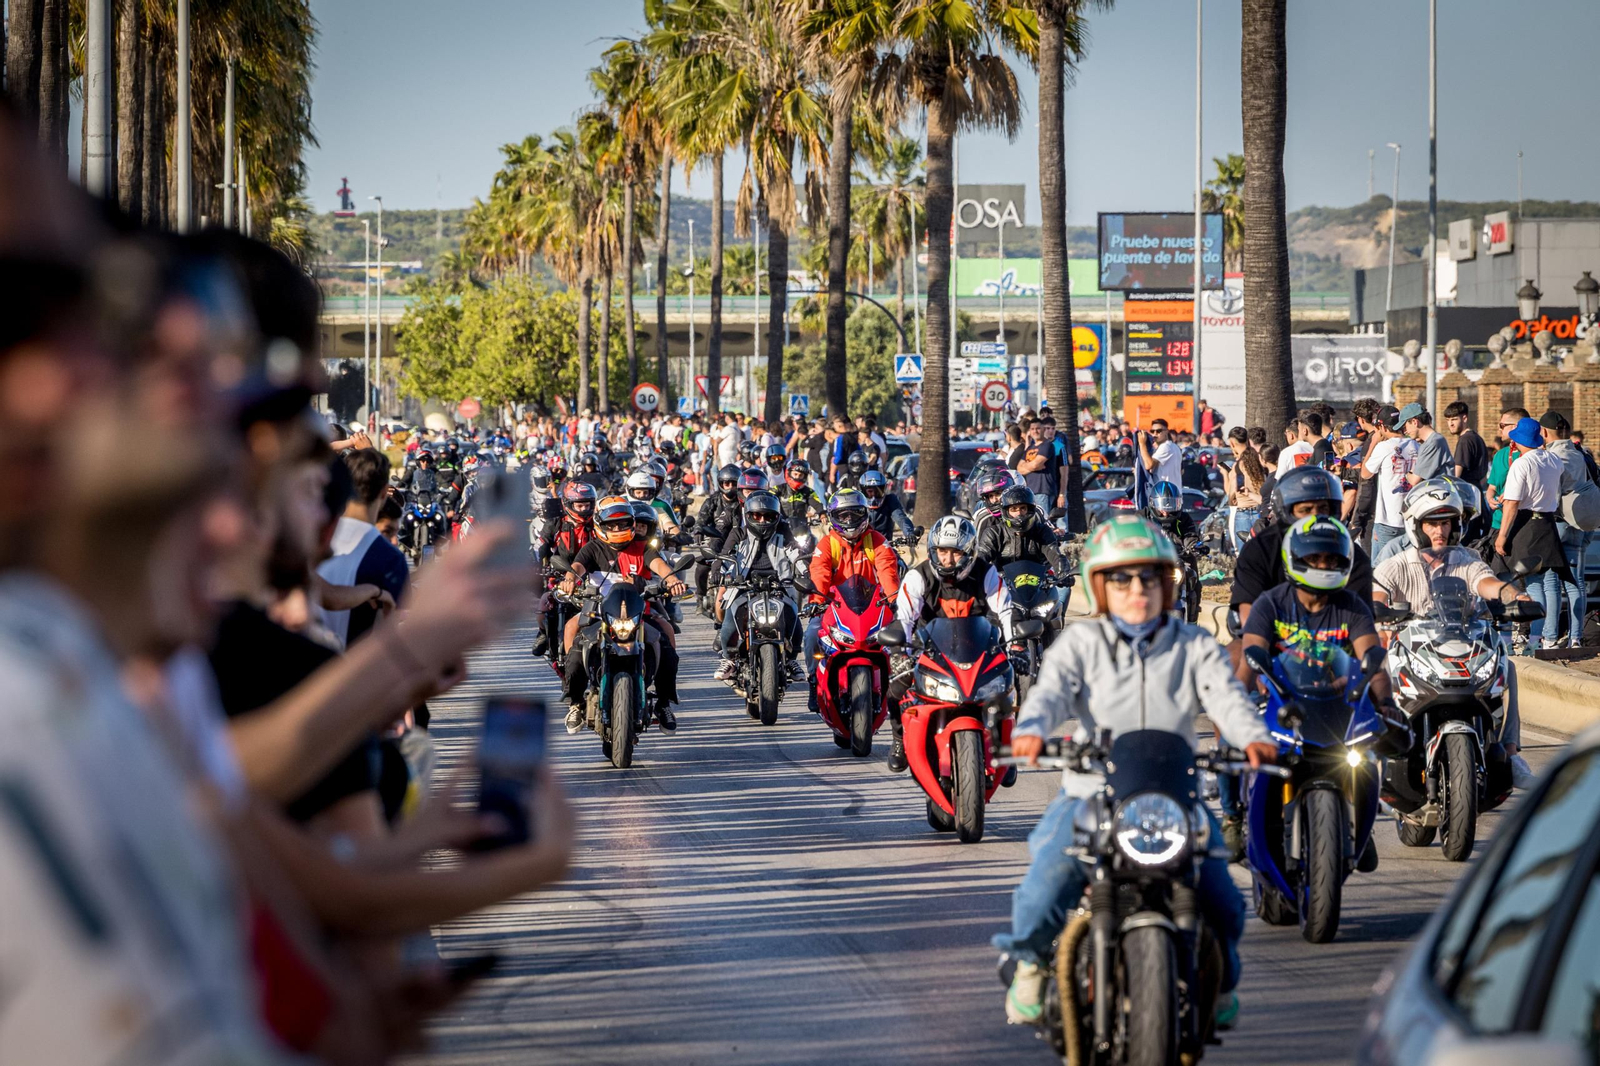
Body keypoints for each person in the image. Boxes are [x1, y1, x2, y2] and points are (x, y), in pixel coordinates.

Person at [996, 515, 1277, 1029]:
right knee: (1049, 876)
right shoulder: (1081, 644)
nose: (1137, 588)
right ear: (1098, 585)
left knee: (1224, 898)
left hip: (1176, 797)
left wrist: (1254, 737)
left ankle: (1218, 981)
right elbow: (1051, 694)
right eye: (1122, 578)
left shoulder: (1193, 644)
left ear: (1167, 584)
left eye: (1149, 577)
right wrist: (1031, 730)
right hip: (1091, 794)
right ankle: (1033, 964)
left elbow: (1227, 698)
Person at [1372, 479, 1536, 788]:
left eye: (1445, 522)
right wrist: (1378, 609)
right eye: (1432, 523)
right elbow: (1375, 596)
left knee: (1508, 667)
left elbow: (1486, 583)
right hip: (1411, 651)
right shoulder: (1396, 565)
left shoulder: (1467, 560)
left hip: (1461, 648)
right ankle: (1374, 753)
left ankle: (1511, 754)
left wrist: (1512, 594)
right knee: (1375, 669)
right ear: (1417, 526)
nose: (1440, 531)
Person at [892, 516, 1011, 772]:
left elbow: (1005, 611)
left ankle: (1006, 746)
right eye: (942, 551)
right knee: (897, 686)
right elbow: (904, 618)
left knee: (1007, 684)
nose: (947, 559)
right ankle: (899, 738)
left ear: (969, 552)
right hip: (930, 651)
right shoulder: (917, 576)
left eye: (956, 552)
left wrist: (1014, 647)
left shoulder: (986, 572)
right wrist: (899, 651)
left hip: (977, 649)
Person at [559, 495, 687, 732]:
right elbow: (578, 566)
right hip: (598, 613)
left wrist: (671, 579)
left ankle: (664, 703)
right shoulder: (592, 548)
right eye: (612, 525)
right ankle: (575, 702)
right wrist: (570, 578)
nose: (618, 529)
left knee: (667, 632)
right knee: (571, 629)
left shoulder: (642, 548)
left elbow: (659, 564)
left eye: (623, 523)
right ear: (601, 525)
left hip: (639, 613)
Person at [802, 490, 903, 709]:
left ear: (865, 514)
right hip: (833, 608)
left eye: (854, 514)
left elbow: (887, 571)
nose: (849, 521)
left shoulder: (877, 541)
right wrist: (816, 603)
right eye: (843, 515)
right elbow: (819, 574)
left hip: (871, 608)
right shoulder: (827, 544)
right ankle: (813, 681)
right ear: (832, 517)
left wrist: (895, 599)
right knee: (811, 634)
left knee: (898, 640)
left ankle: (899, 687)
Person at [1494, 416, 1574, 652]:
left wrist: (1502, 536)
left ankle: (1533, 638)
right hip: (1548, 522)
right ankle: (1546, 637)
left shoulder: (1521, 463)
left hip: (1527, 524)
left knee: (1534, 583)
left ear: (1518, 440)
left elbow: (1512, 504)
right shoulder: (1552, 458)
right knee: (1550, 585)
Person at [711, 492, 804, 682]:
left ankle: (792, 659)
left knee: (793, 616)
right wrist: (719, 573)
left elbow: (796, 553)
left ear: (776, 517)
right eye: (757, 515)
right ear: (748, 515)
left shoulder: (783, 531)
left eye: (768, 516)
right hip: (744, 585)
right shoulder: (739, 532)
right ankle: (729, 659)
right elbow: (725, 556)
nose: (762, 520)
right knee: (730, 617)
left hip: (779, 586)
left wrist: (807, 572)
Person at [1361, 404, 1416, 557]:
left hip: (1388, 521)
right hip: (1413, 519)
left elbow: (1365, 473)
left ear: (1381, 426)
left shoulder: (1383, 447)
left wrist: (1373, 442)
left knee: (1380, 571)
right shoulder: (1416, 445)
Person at [975, 485, 1061, 570]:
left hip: (1038, 582)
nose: (1019, 513)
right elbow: (982, 555)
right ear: (1006, 511)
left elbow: (1056, 555)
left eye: (1023, 508)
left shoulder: (1042, 531)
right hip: (1003, 583)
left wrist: (1063, 571)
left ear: (1029, 509)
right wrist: (976, 574)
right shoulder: (994, 533)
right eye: (1013, 509)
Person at [1395, 402, 1452, 485]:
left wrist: (1407, 473)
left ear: (1415, 422)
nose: (1405, 432)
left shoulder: (1433, 443)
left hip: (1440, 494)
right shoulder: (1432, 441)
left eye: (1405, 427)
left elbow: (1414, 480)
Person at [1446, 401, 1489, 491]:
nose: (1450, 424)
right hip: (1477, 492)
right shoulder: (1478, 438)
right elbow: (1483, 478)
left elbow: (1456, 475)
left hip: (1467, 495)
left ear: (1464, 418)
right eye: (1448, 420)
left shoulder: (1465, 440)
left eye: (1454, 419)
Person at [861, 468, 915, 539]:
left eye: (878, 492)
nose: (873, 496)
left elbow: (901, 518)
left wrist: (909, 533)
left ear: (884, 490)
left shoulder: (890, 500)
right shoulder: (857, 502)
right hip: (862, 545)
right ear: (862, 491)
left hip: (886, 545)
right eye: (870, 492)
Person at [777, 457, 825, 531]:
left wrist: (822, 514)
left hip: (801, 529)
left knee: (814, 540)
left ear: (804, 477)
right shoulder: (778, 489)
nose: (797, 477)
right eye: (795, 474)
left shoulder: (808, 492)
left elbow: (818, 504)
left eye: (800, 475)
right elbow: (769, 499)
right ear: (789, 473)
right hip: (781, 528)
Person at [1137, 418, 1182, 487]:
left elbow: (1149, 465)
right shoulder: (1174, 447)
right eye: (1152, 431)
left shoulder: (1165, 446)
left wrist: (1142, 444)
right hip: (1173, 492)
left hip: (1165, 493)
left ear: (1166, 431)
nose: (1155, 434)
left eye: (1159, 431)